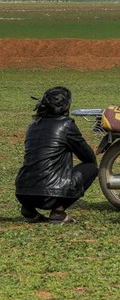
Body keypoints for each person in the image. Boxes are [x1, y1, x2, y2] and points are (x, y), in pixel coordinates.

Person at [15, 86, 98, 223]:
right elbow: (87, 155)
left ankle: (29, 209)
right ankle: (58, 211)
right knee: (91, 167)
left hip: (23, 191)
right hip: (50, 195)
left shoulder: (33, 124)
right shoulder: (66, 125)